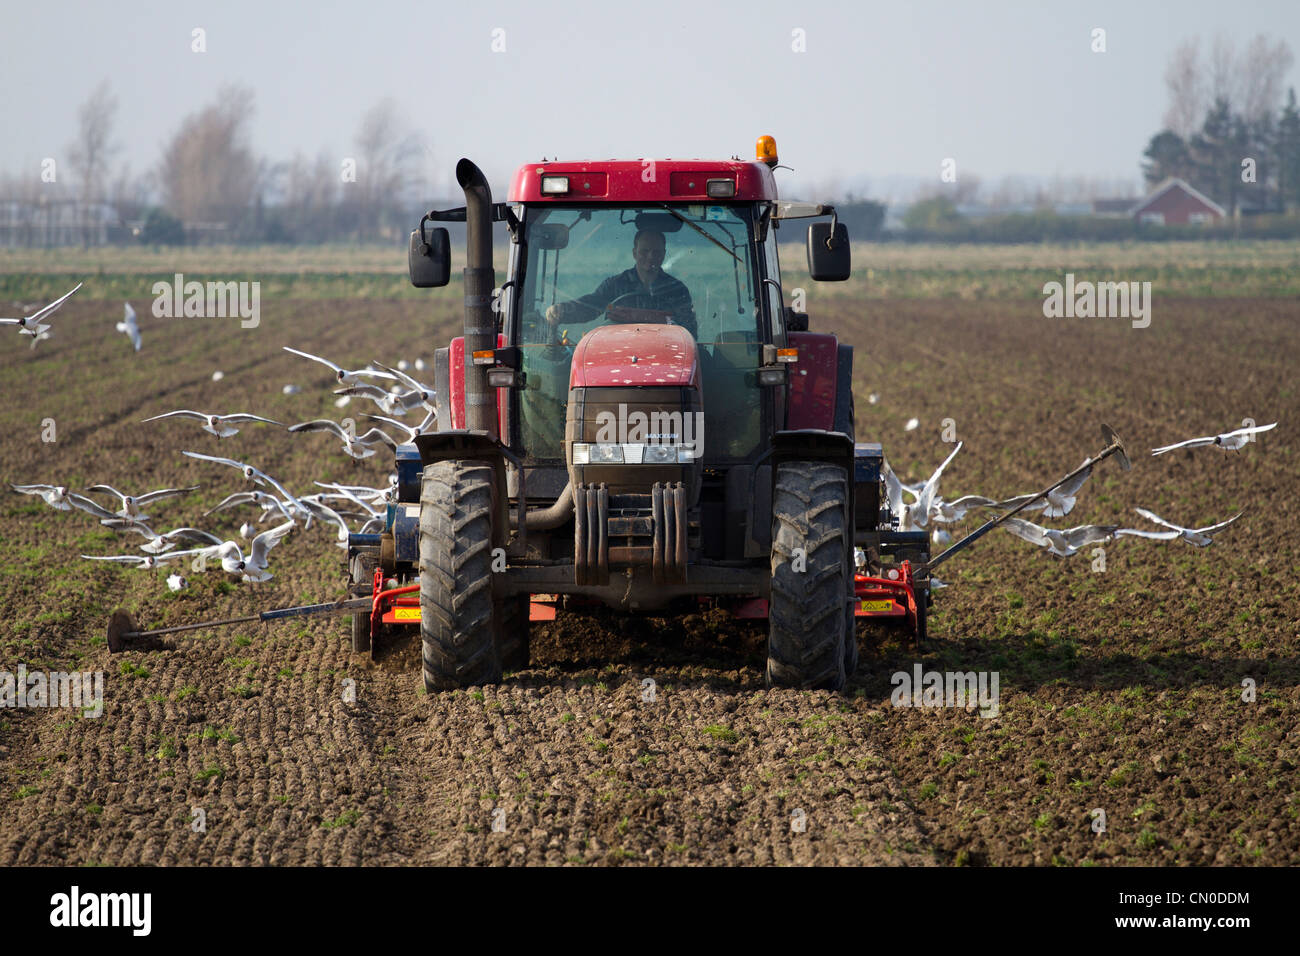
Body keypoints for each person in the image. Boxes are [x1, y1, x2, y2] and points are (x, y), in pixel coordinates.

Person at [545, 229, 696, 339]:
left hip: (665, 354)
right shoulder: (615, 285)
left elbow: (689, 331)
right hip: (617, 353)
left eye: (656, 252)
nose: (650, 257)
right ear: (634, 253)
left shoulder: (677, 290)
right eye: (645, 251)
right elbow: (591, 305)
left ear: (663, 254)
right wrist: (562, 310)